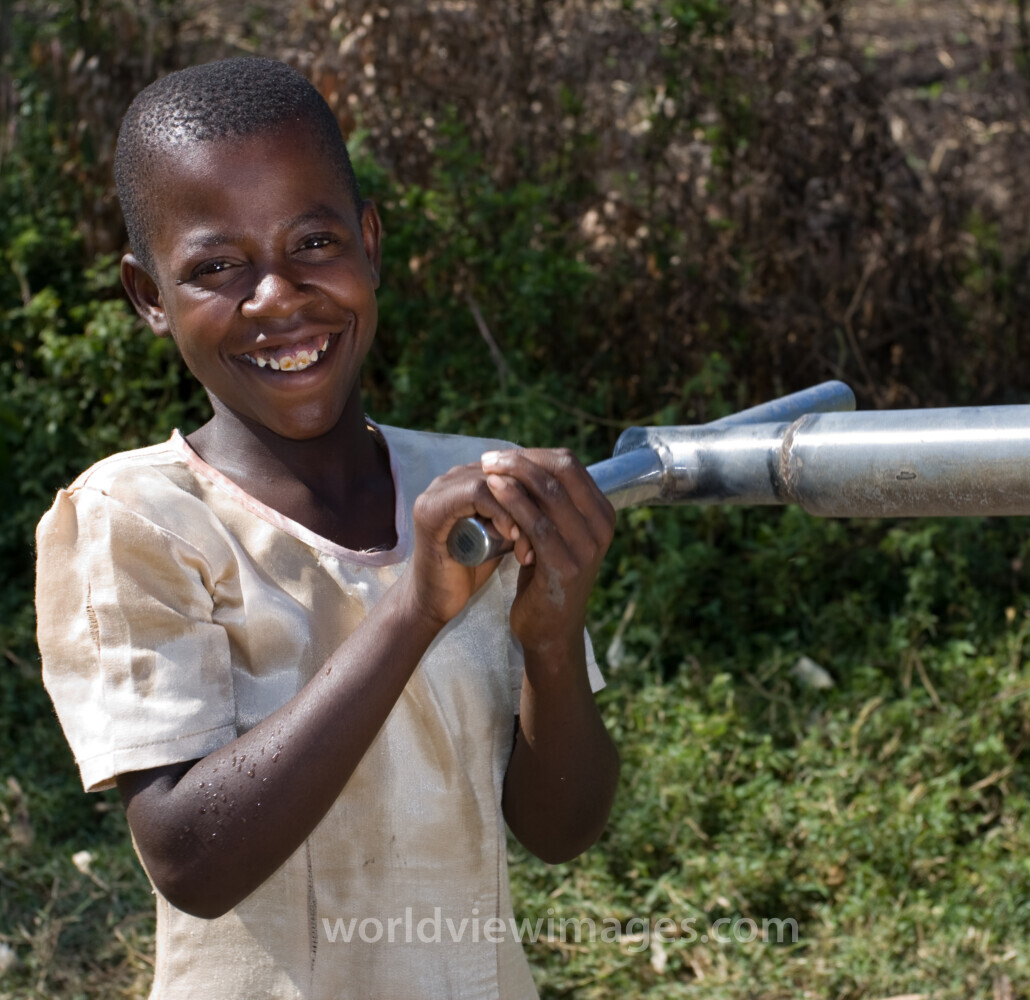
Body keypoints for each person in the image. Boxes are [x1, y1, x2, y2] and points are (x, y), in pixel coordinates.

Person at [34, 56, 619, 999]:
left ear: (370, 242)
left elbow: (561, 830)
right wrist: (413, 610)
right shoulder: (135, 521)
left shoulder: (475, 489)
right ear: (149, 297)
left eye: (313, 243)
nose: (277, 298)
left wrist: (550, 638)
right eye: (218, 266)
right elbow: (192, 864)